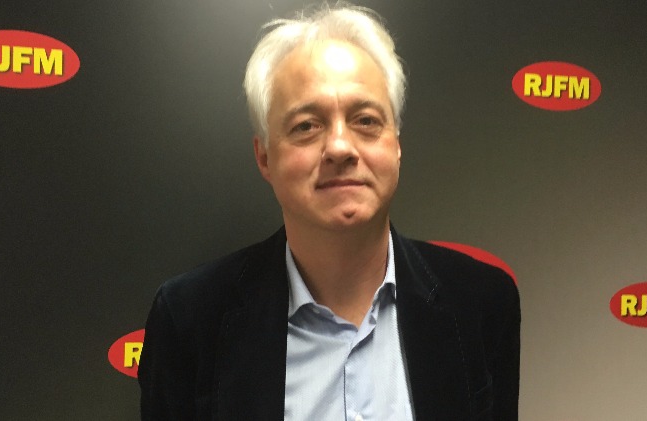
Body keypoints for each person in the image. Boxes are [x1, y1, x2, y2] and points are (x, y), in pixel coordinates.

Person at [138, 4, 520, 420]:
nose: (340, 147)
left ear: (396, 145)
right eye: (307, 125)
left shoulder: (481, 304)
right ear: (264, 157)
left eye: (366, 120)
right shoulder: (189, 320)